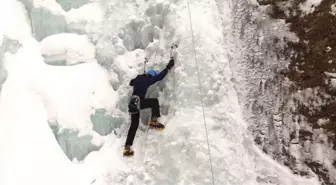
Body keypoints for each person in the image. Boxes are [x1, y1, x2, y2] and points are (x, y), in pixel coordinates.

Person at [123, 58, 175, 157]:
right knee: (154, 102)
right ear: (151, 76)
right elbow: (159, 77)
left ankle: (127, 147)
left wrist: (138, 78)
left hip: (132, 104)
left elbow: (131, 82)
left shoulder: (138, 78)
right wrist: (168, 67)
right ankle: (154, 120)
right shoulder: (148, 79)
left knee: (133, 126)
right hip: (138, 101)